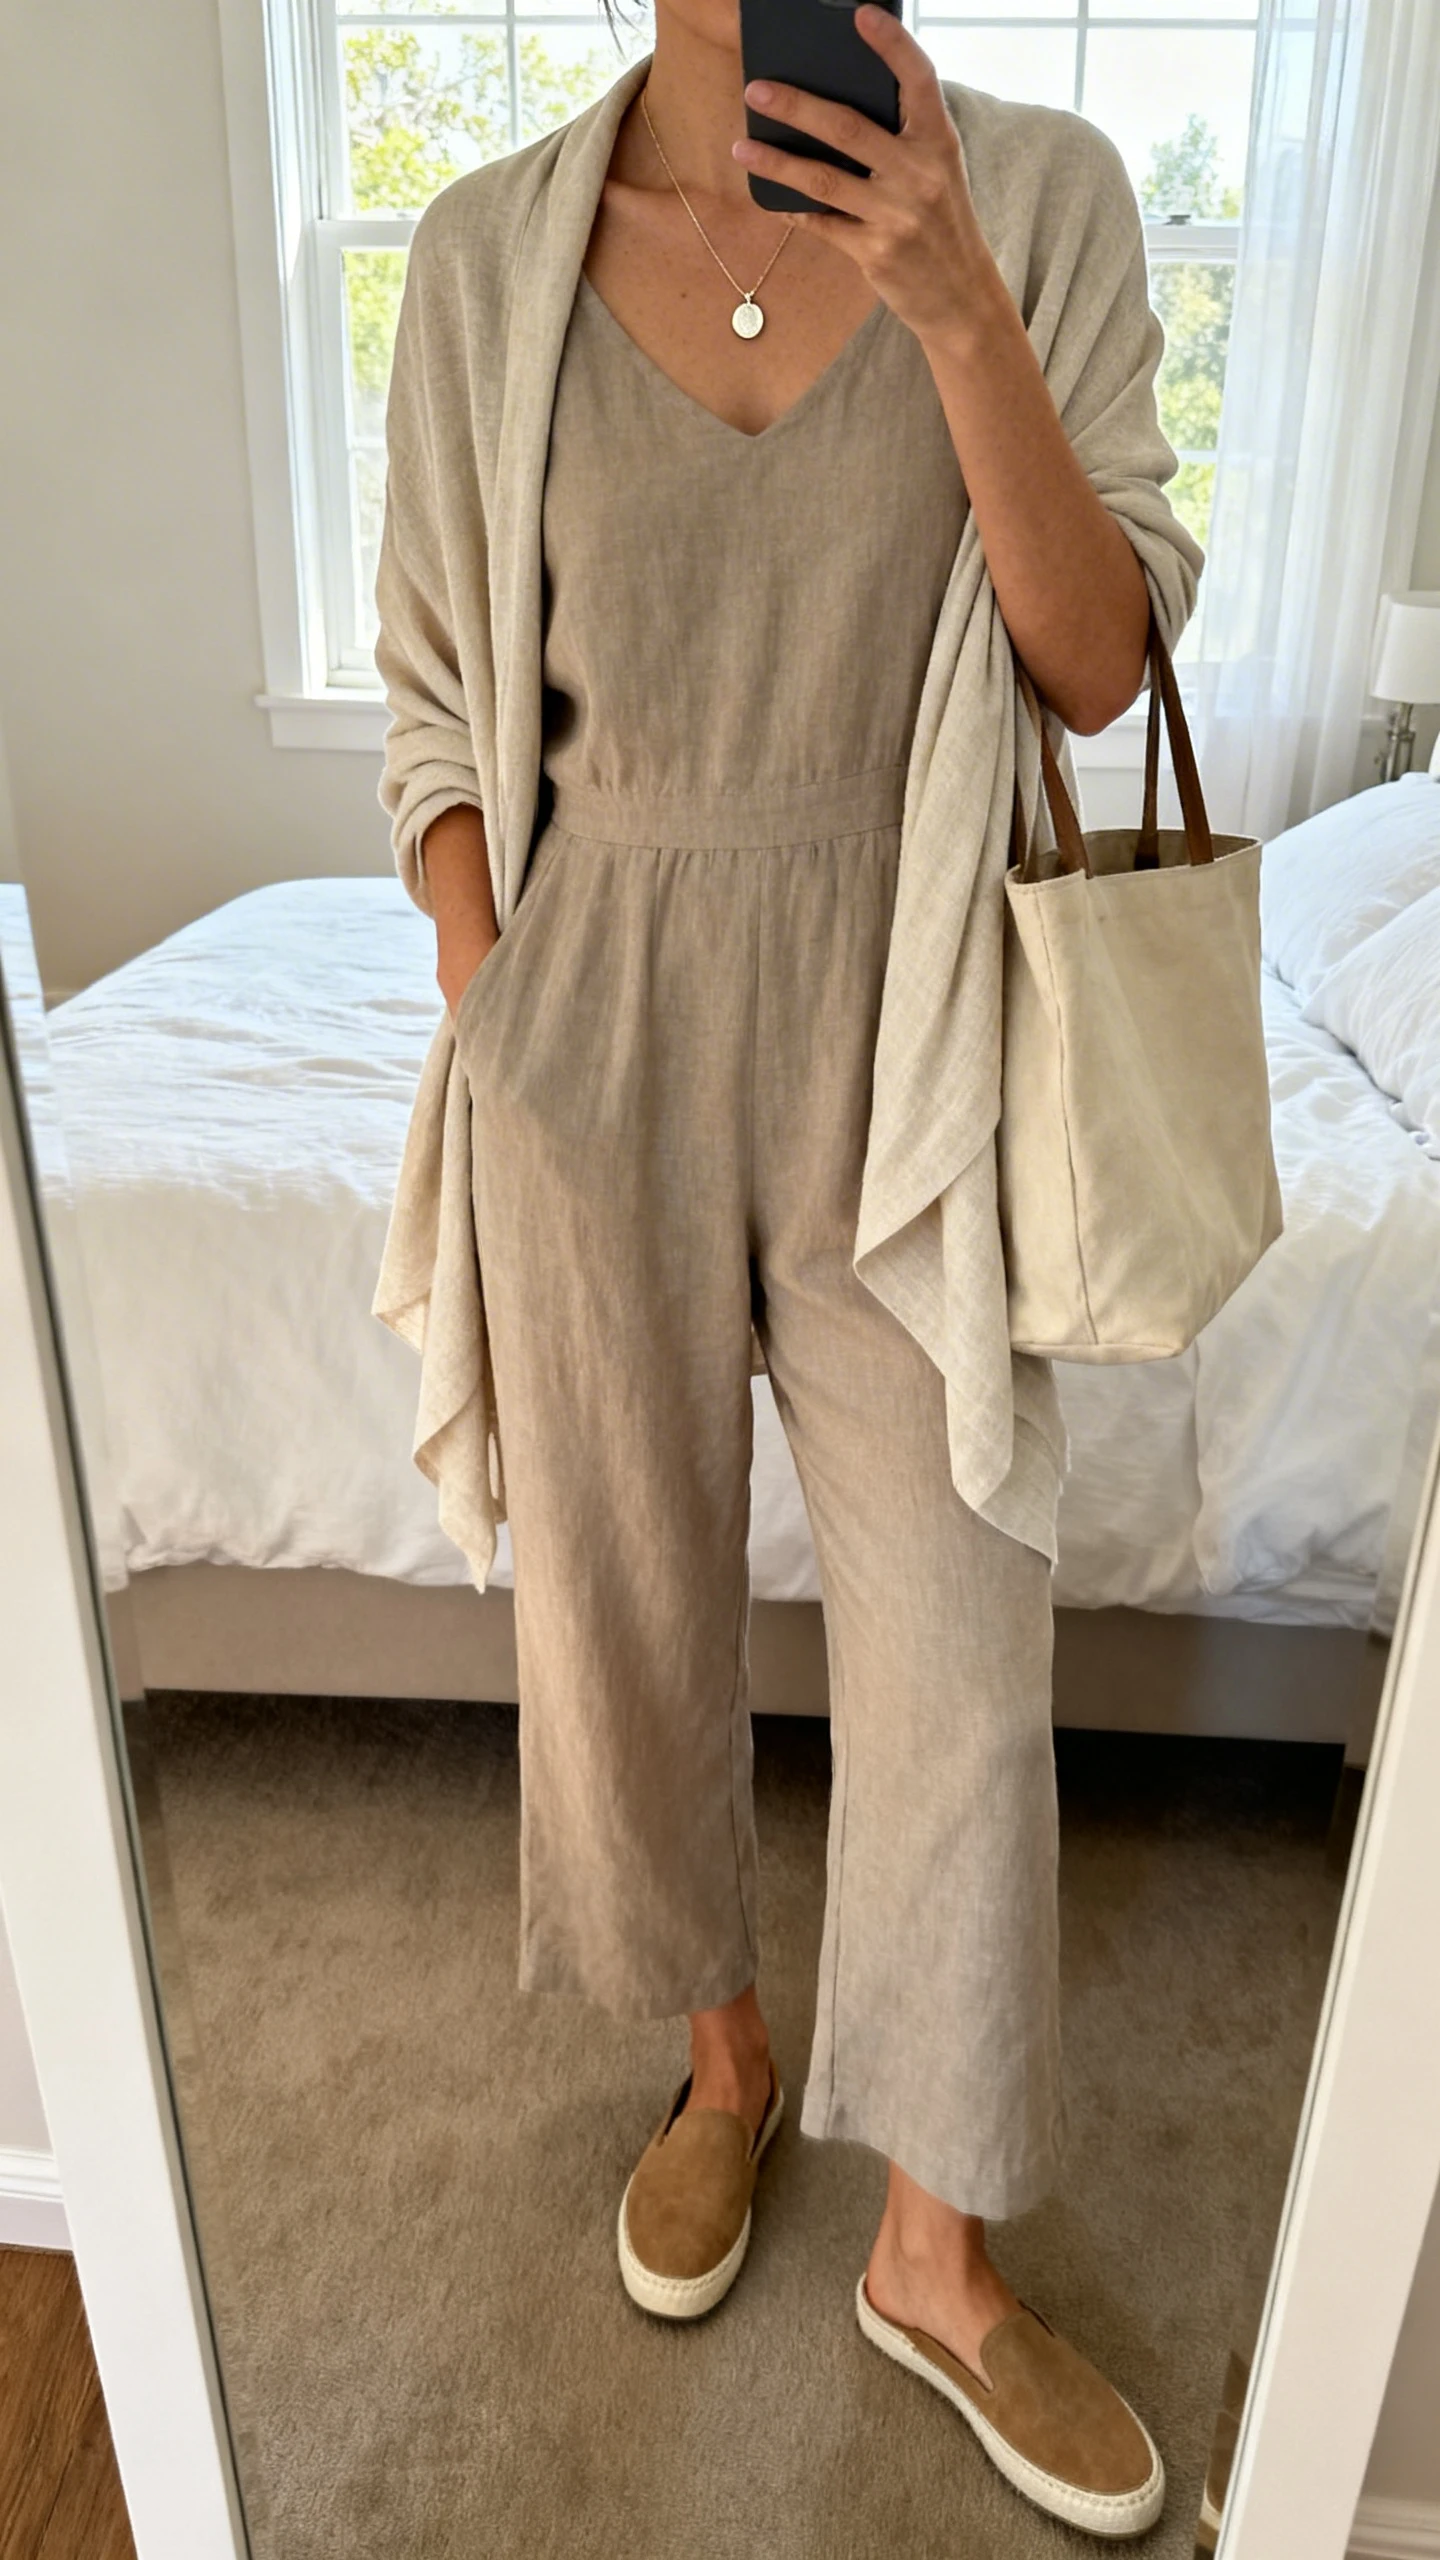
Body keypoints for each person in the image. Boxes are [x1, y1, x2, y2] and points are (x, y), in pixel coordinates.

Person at [373, 0, 1201, 2533]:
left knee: (965, 1636)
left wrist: (951, 296)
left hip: (907, 1023)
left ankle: (935, 2242)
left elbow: (1109, 665)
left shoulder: (1035, 198)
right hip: (591, 1018)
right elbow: (432, 706)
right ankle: (724, 2058)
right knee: (618, 1605)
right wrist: (497, 1000)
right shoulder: (491, 250)